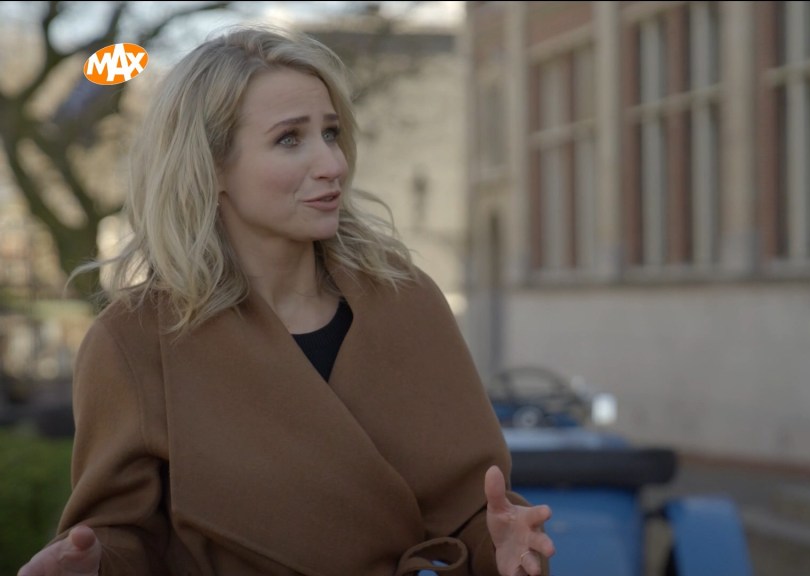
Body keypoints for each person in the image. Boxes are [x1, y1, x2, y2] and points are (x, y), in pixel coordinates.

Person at [18, 24, 554, 576]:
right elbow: (120, 536)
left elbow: (475, 511)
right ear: (211, 165)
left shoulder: (407, 302)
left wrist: (503, 548)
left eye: (331, 132)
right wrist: (90, 565)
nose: (333, 164)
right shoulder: (135, 339)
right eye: (290, 139)